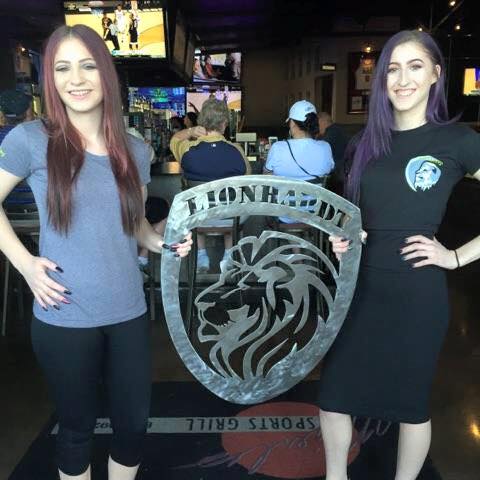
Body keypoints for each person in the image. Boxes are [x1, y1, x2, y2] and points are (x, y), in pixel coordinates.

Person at [0, 24, 192, 480]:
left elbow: (136, 226)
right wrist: (26, 265)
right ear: (49, 79)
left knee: (133, 427)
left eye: (87, 65)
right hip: (64, 313)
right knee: (76, 431)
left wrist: (160, 242)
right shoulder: (30, 140)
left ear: (105, 73)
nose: (76, 79)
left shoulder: (136, 150)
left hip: (127, 311)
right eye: (62, 68)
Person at [318, 30, 480, 480]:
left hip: (416, 293)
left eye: (415, 66)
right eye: (392, 68)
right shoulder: (363, 143)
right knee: (333, 397)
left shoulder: (457, 140)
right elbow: (350, 215)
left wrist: (456, 257)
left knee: (410, 406)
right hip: (360, 289)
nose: (402, 78)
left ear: (436, 75)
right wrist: (343, 238)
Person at [170, 98, 250, 273]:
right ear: (225, 123)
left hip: (200, 219)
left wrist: (190, 131)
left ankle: (201, 256)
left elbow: (174, 139)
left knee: (196, 206)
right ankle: (229, 255)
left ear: (202, 122)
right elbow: (247, 180)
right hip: (230, 219)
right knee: (234, 203)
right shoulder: (237, 151)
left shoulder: (187, 150)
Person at [263, 100, 334, 223]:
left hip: (282, 214)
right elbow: (329, 170)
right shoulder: (325, 147)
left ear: (293, 124)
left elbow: (266, 176)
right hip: (314, 215)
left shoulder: (278, 147)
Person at [317, 111, 349, 191]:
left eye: (317, 124)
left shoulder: (332, 131)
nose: (317, 127)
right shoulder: (336, 129)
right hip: (341, 171)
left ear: (322, 121)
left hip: (337, 174)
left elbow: (321, 150)